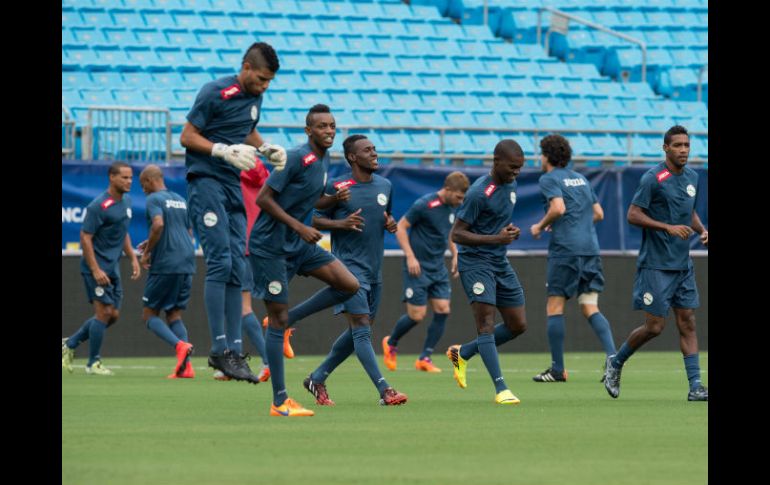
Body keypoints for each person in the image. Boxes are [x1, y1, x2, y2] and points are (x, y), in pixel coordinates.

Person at [179, 42, 287, 384]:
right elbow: (186, 136)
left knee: (239, 265)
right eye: (261, 79)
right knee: (220, 262)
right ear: (245, 67)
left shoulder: (255, 98)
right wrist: (221, 150)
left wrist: (264, 147)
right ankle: (220, 349)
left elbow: (247, 129)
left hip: (232, 183)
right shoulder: (214, 92)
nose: (264, 86)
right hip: (206, 179)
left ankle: (235, 353)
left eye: (269, 81)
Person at [249, 104, 361, 417]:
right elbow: (264, 199)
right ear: (308, 130)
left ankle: (286, 322)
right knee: (278, 317)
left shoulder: (324, 161)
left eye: (332, 126)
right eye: (322, 126)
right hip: (272, 247)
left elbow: (309, 201)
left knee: (348, 284)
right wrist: (300, 226)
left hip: (299, 245)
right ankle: (279, 401)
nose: (329, 131)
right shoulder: (296, 157)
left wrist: (332, 201)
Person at [602, 125, 708, 401]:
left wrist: (701, 230)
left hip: (682, 265)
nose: (683, 150)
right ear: (665, 148)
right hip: (656, 265)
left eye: (686, 145)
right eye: (678, 145)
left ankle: (696, 386)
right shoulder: (653, 178)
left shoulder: (693, 177)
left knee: (688, 322)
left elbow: (689, 211)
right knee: (655, 327)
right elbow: (633, 214)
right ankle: (616, 361)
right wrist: (666, 227)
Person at [302, 134, 408, 407]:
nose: (374, 153)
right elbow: (310, 218)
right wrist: (340, 224)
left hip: (375, 269)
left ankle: (317, 377)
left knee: (359, 331)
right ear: (352, 157)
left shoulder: (385, 185)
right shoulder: (337, 187)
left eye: (374, 148)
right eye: (368, 150)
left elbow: (385, 215)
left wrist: (390, 224)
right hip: (347, 269)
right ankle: (385, 390)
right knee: (361, 327)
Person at [445, 140, 528, 405]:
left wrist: (509, 233)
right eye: (512, 167)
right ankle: (501, 389)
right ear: (496, 161)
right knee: (486, 325)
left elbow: (494, 225)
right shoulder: (479, 193)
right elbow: (457, 234)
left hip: (499, 261)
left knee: (518, 325)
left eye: (520, 168)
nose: (516, 173)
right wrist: (496, 239)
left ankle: (463, 352)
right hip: (475, 263)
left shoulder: (511, 185)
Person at [528, 134, 617, 382]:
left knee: (555, 307)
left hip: (566, 250)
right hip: (590, 249)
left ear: (546, 156)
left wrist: (540, 225)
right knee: (590, 306)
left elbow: (558, 208)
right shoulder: (581, 179)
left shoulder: (548, 178)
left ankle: (558, 370)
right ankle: (614, 361)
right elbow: (598, 213)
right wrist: (570, 223)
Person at [382, 171, 469, 373]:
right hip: (418, 266)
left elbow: (450, 233)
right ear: (447, 190)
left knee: (443, 309)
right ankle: (391, 342)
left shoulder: (452, 207)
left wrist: (455, 254)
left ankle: (425, 357)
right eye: (458, 196)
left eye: (463, 198)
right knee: (417, 315)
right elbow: (402, 227)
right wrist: (410, 256)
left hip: (438, 266)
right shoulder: (424, 204)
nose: (460, 201)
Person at [62, 162, 141, 376]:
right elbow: (85, 237)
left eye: (131, 177)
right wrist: (95, 269)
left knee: (113, 315)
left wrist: (133, 257)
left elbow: (122, 231)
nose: (129, 181)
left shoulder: (127, 201)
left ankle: (70, 344)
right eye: (124, 177)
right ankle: (93, 363)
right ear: (112, 178)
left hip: (112, 268)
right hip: (95, 268)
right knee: (104, 312)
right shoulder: (99, 205)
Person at [137, 165, 196, 379]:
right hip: (187, 261)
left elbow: (159, 225)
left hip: (167, 263)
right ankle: (186, 368)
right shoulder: (180, 199)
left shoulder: (154, 199)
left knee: (149, 314)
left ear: (150, 181)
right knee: (174, 314)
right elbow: (186, 232)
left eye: (142, 184)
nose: (142, 189)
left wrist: (147, 253)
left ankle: (180, 345)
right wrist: (153, 242)